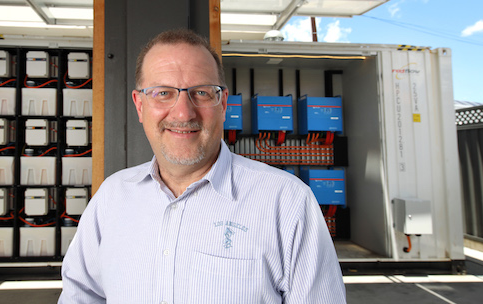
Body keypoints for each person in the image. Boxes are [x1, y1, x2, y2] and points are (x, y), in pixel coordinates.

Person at [59, 29, 346, 303]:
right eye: (163, 93)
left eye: (202, 93)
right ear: (139, 106)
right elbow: (81, 295)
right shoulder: (112, 198)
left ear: (223, 105)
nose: (183, 113)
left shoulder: (287, 203)